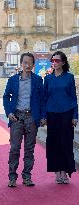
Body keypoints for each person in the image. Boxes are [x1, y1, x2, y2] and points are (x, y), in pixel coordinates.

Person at [3, 52, 46, 187]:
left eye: (30, 63)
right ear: (21, 64)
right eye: (25, 63)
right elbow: (6, 97)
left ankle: (27, 177)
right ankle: (12, 177)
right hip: (16, 117)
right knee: (15, 148)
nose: (27, 65)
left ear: (33, 64)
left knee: (29, 149)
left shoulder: (38, 80)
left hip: (31, 117)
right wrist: (9, 112)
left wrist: (43, 116)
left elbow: (42, 100)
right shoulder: (13, 80)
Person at [44, 51, 78, 184]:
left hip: (67, 114)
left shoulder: (69, 78)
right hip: (52, 114)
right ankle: (57, 172)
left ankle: (64, 171)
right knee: (54, 144)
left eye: (57, 60)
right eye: (52, 60)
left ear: (63, 62)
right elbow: (44, 98)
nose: (54, 62)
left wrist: (75, 116)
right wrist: (43, 116)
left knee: (66, 143)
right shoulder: (48, 79)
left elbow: (73, 98)